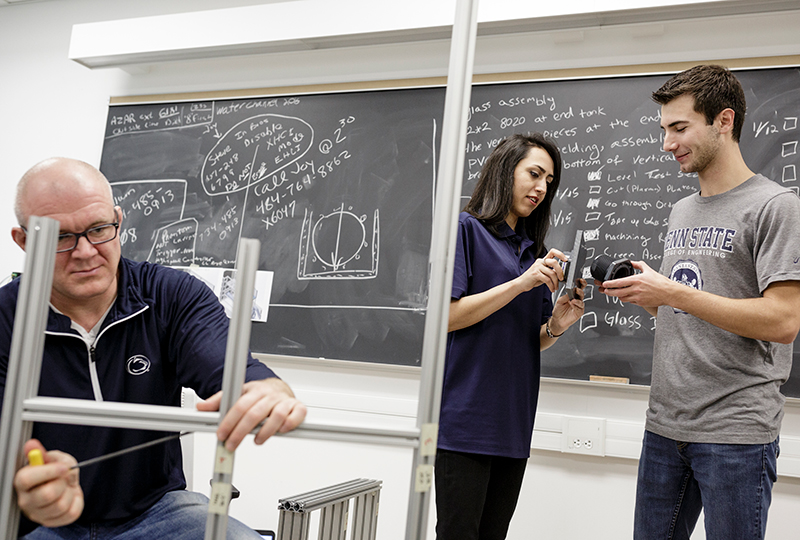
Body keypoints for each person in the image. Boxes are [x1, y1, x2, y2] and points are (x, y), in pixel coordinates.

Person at [0, 157, 308, 539]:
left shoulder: (170, 295)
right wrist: (25, 483)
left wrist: (265, 389)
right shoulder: (5, 318)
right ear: (25, 242)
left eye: (99, 229)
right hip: (39, 523)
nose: (85, 251)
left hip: (157, 513)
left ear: (118, 220)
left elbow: (231, 369)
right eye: (61, 237)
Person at [598, 65, 800, 539]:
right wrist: (648, 295)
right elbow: (690, 308)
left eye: (680, 127)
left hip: (735, 433)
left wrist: (671, 291)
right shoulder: (682, 210)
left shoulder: (776, 207)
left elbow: (784, 320)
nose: (668, 143)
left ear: (723, 121)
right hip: (665, 424)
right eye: (665, 129)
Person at [435, 133, 586, 540]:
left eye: (549, 182)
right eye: (534, 174)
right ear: (506, 171)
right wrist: (520, 283)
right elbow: (444, 318)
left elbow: (530, 337)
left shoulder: (531, 252)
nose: (541, 188)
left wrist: (557, 324)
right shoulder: (465, 230)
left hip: (513, 425)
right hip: (465, 423)